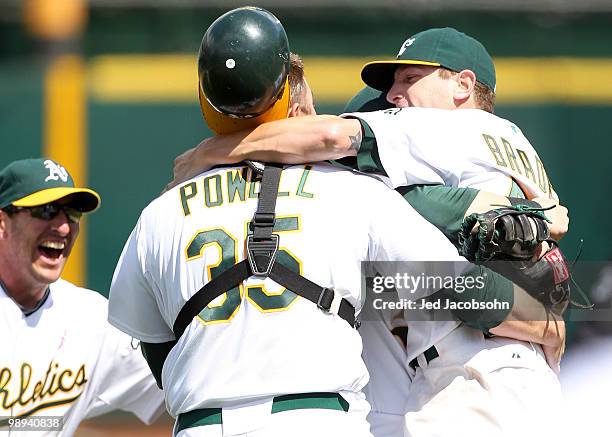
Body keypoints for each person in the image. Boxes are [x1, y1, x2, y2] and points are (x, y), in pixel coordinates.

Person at [167, 27, 569, 437]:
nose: (396, 95)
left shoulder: (449, 129)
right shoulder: (507, 144)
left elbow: (330, 137)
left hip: (477, 373)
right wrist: (545, 323)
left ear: (463, 85)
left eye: (410, 79)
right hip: (507, 372)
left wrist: (211, 152)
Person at [107, 8, 487, 437]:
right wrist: (540, 315)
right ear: (292, 103)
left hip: (203, 424)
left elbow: (154, 346)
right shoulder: (353, 191)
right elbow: (470, 294)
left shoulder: (161, 211)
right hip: (318, 420)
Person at [0, 157, 165, 436]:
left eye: (73, 213)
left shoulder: (91, 320)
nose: (64, 227)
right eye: (47, 210)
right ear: (3, 222)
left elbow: (182, 381)